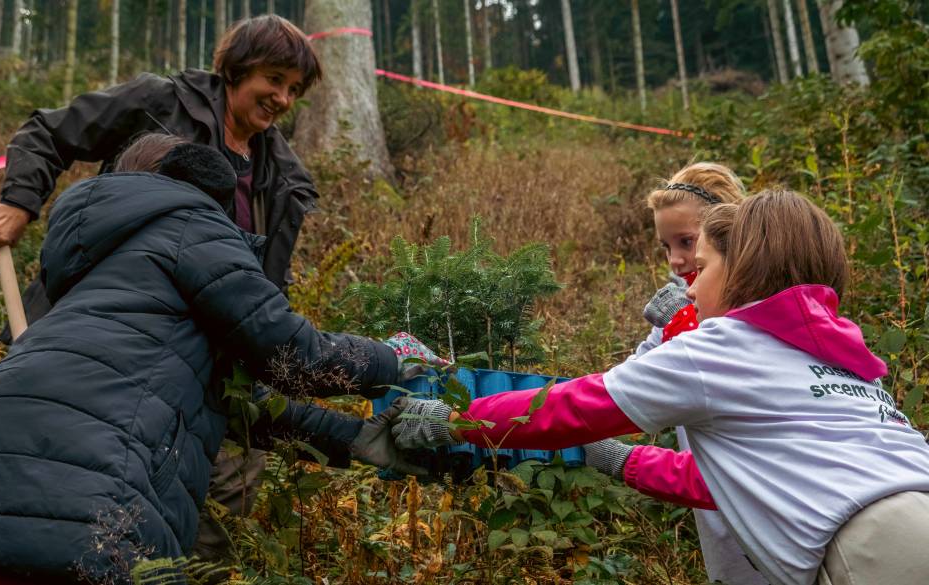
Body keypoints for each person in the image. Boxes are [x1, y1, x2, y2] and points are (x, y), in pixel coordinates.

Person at [0, 139, 432, 585]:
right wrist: (393, 358)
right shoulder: (186, 222)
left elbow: (217, 395)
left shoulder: (86, 265)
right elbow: (294, 356)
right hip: (96, 490)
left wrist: (353, 438)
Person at [391, 190, 929, 585]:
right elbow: (726, 483)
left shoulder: (723, 347)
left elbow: (575, 407)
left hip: (873, 552)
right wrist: (620, 461)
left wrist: (455, 418)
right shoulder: (842, 363)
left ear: (740, 270)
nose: (689, 282)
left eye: (702, 267)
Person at [0, 14, 326, 558]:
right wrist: (20, 203)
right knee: (72, 489)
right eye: (273, 79)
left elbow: (261, 284)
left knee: (224, 499)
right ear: (237, 68)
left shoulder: (282, 176)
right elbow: (49, 131)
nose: (281, 97)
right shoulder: (161, 103)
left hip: (202, 367)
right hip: (105, 345)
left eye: (293, 89)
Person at [581, 162, 767, 584]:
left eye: (686, 242)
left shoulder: (766, 304)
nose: (677, 259)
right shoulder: (680, 306)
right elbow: (628, 380)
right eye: (666, 247)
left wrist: (688, 324)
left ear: (727, 234)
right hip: (711, 503)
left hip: (766, 507)